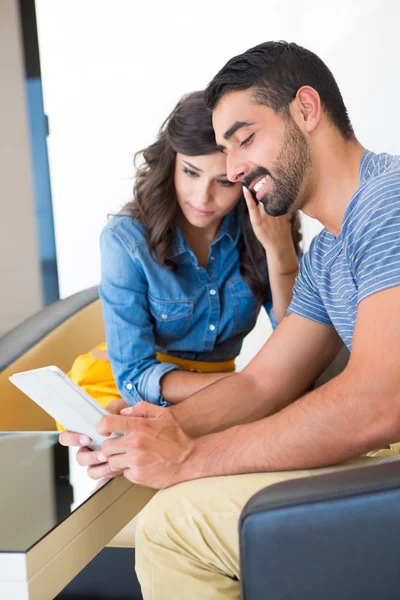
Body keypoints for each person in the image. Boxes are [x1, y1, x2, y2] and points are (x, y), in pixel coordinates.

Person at [61, 42, 400, 599]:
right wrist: (155, 431)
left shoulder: (385, 203)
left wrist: (191, 457)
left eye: (244, 139)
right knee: (173, 511)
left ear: (306, 109)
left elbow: (378, 401)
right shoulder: (329, 253)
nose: (235, 169)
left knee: (173, 527)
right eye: (223, 150)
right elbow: (263, 382)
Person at [66, 90, 301, 417]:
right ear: (171, 163)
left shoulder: (262, 223)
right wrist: (249, 385)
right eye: (190, 172)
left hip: (225, 393)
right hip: (121, 390)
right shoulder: (125, 239)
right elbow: (133, 376)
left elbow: (299, 339)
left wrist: (279, 251)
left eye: (224, 182)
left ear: (247, 179)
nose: (203, 198)